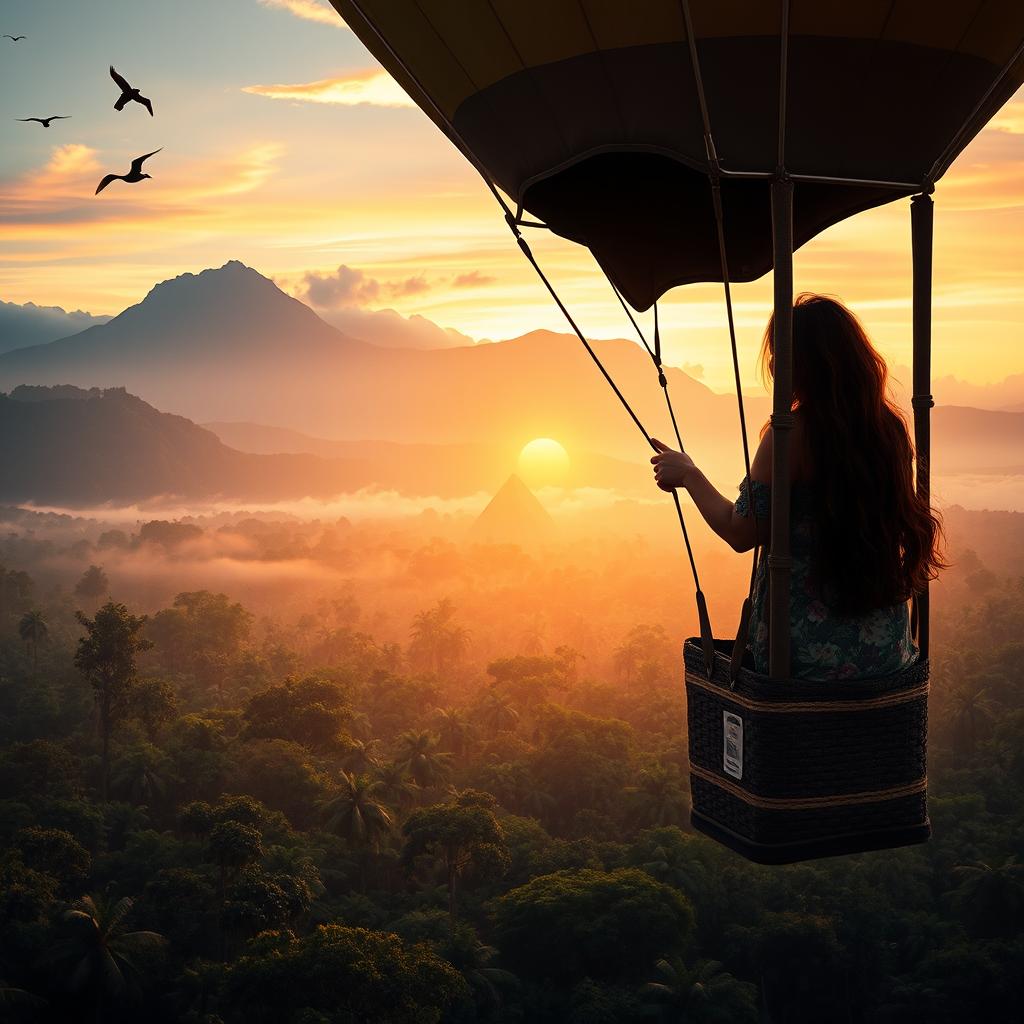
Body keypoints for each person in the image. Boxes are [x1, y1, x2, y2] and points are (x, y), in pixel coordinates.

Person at [651, 293, 944, 681]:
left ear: (802, 364)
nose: (773, 364)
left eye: (779, 353)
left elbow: (742, 532)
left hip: (806, 657)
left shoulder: (790, 435)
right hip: (887, 649)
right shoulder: (888, 429)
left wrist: (689, 474)